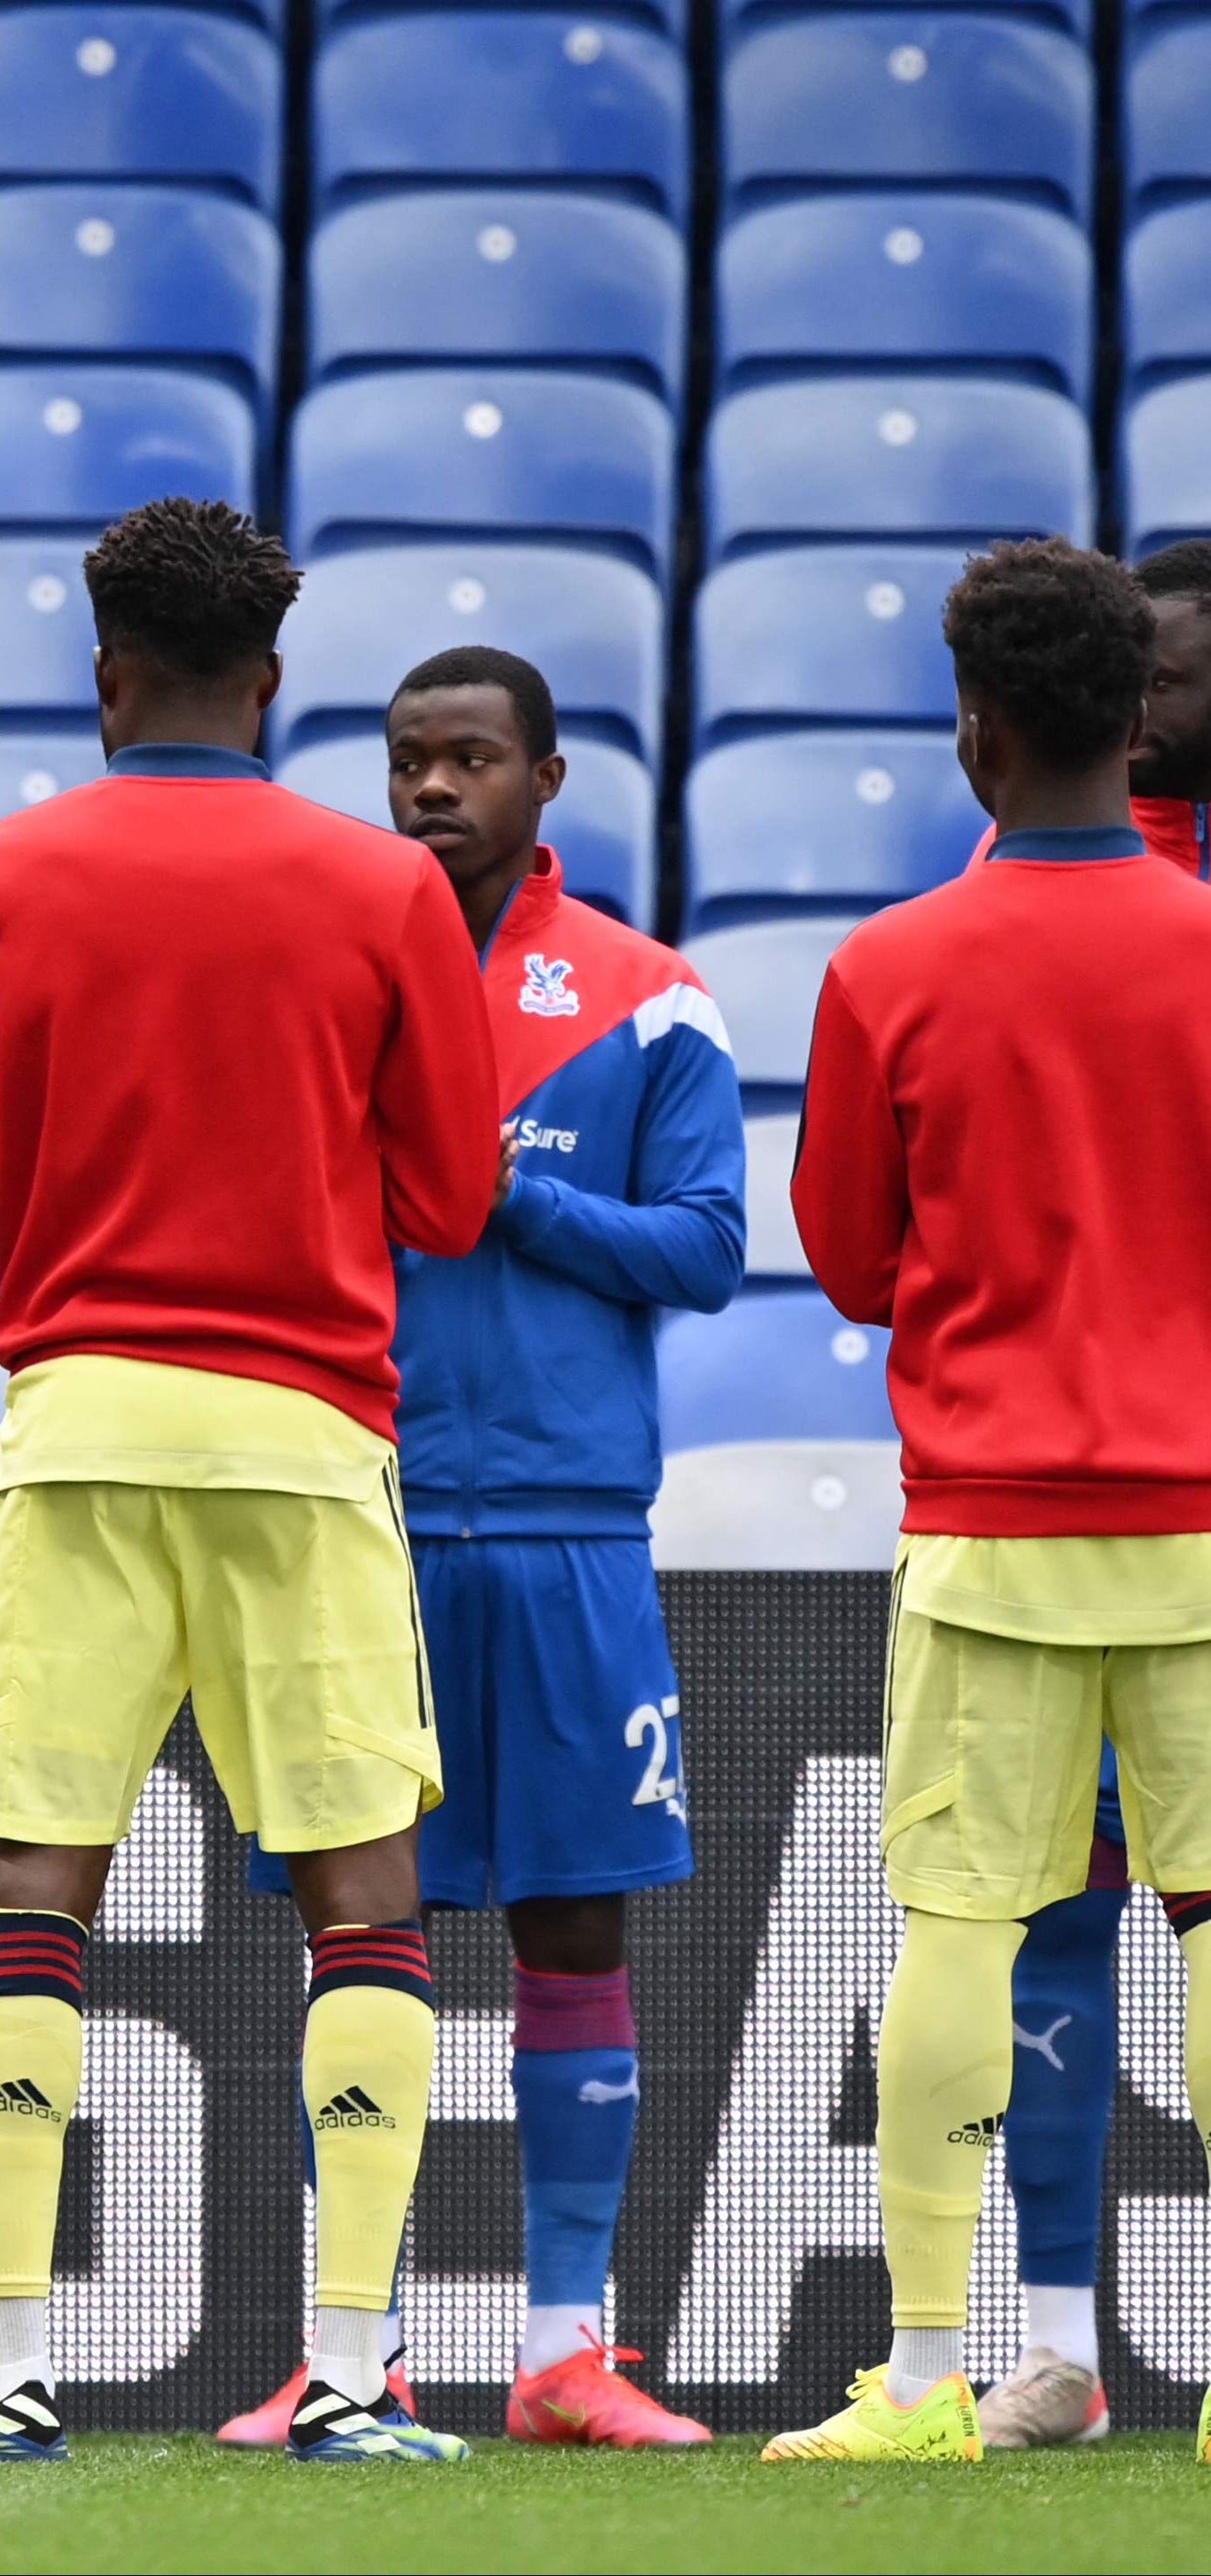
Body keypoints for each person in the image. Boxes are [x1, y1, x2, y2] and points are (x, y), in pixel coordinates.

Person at [0, 499, 499, 2469]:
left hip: (78, 1422)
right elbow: (452, 1196)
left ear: (104, 675)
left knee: (34, 1876)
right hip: (300, 1434)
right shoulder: (384, 888)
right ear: (271, 682)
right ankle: (350, 2367)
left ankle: (5, 2370)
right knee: (360, 1890)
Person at [214, 648, 741, 2448]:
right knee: (360, 1937)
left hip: (567, 1523)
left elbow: (705, 1248)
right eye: (407, 760)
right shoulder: (324, 978)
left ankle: (564, 2351)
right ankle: (347, 2349)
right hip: (359, 1515)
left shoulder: (647, 999)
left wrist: (495, 1184)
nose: (432, 788)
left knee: (572, 1925)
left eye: (469, 759)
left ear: (545, 778)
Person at [775, 539, 1211, 2468]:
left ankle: (924, 2376)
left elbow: (851, 1259)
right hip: (1204, 1518)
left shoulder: (887, 967)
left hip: (990, 1524)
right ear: (1134, 717)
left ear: (974, 727)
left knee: (958, 1930)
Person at [966, 542, 1211, 2453]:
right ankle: (1056, 2340)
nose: (1151, 707)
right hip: (1050, 1495)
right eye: (1143, 672)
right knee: (1050, 1915)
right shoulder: (1008, 890)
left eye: (1180, 675)